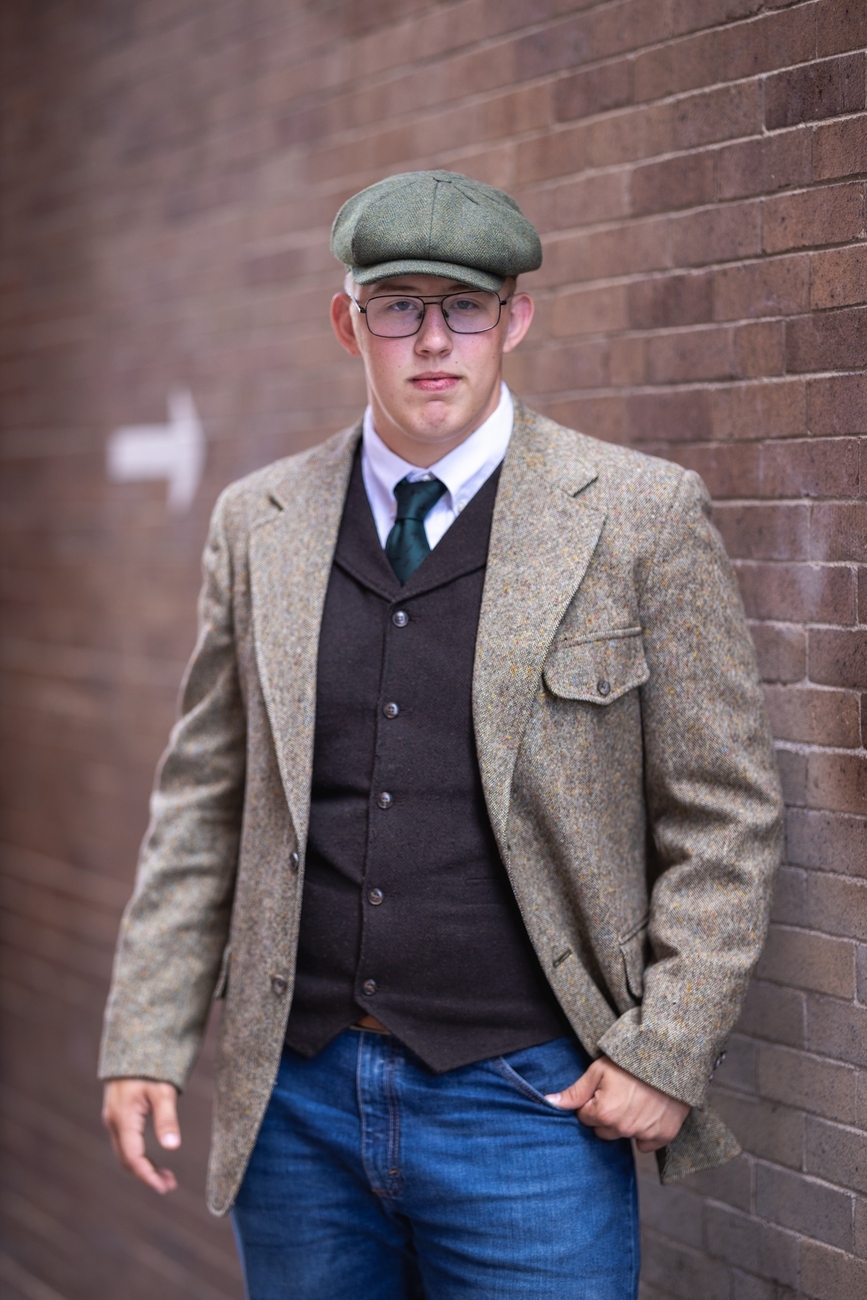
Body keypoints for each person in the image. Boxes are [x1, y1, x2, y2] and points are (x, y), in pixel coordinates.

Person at [100, 170, 783, 1300]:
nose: (432, 340)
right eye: (397, 307)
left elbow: (725, 812)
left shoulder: (638, 516)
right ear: (347, 322)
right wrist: (145, 1031)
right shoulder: (259, 523)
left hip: (530, 1108)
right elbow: (203, 803)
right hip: (297, 1107)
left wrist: (667, 1047)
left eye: (464, 307)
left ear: (514, 320)